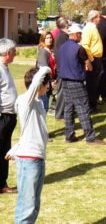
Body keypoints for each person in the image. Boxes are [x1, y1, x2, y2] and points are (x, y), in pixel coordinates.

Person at [6, 67, 51, 223]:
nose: (48, 86)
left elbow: (28, 130)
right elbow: (36, 82)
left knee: (34, 205)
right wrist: (46, 69)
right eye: (47, 83)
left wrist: (15, 148)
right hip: (29, 159)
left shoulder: (37, 103)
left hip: (37, 157)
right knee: (27, 205)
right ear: (39, 85)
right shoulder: (26, 101)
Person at [57, 24, 106, 145]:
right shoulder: (79, 49)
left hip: (64, 80)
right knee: (83, 108)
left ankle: (69, 135)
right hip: (76, 81)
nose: (81, 36)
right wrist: (86, 67)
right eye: (80, 34)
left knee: (68, 108)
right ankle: (90, 137)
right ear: (76, 34)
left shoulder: (62, 47)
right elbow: (89, 66)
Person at [0, 38, 18, 194]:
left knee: (5, 150)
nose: (16, 54)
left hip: (9, 115)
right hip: (3, 117)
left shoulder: (4, 67)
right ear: (7, 53)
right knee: (2, 151)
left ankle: (2, 183)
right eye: (14, 52)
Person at [81, 10, 104, 113]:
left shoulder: (93, 28)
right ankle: (90, 105)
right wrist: (91, 59)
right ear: (94, 18)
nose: (100, 19)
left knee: (95, 82)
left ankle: (93, 103)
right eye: (99, 17)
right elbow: (85, 45)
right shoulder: (88, 28)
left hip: (97, 58)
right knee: (91, 83)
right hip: (93, 58)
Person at [53, 17, 71, 120]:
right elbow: (64, 52)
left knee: (65, 91)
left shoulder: (63, 36)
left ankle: (63, 112)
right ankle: (59, 114)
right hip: (63, 67)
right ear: (65, 25)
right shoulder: (62, 37)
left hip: (63, 67)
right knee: (62, 91)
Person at [36, 31, 56, 112]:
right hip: (43, 83)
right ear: (43, 40)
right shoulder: (43, 51)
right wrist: (50, 81)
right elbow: (44, 68)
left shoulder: (50, 51)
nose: (49, 40)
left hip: (50, 82)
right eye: (47, 38)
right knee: (43, 107)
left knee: (46, 106)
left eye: (50, 38)